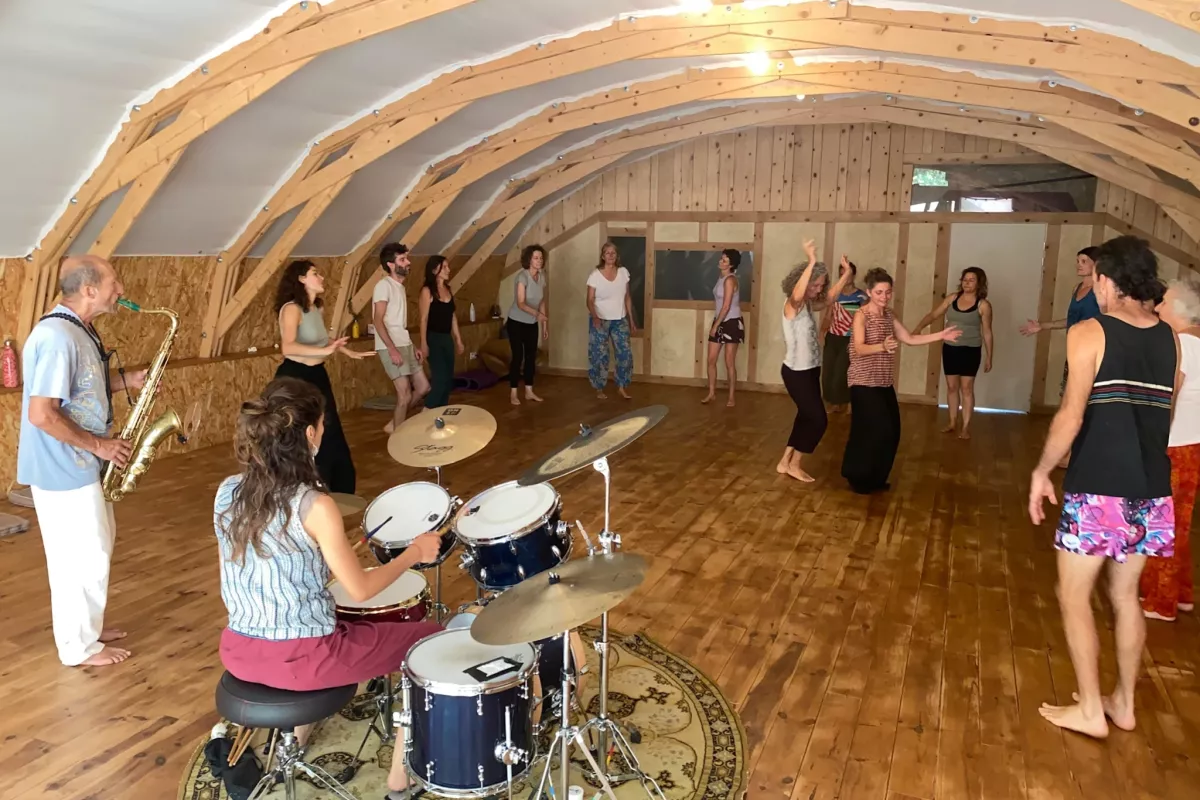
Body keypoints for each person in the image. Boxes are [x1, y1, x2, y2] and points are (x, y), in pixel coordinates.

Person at [215, 378, 443, 794]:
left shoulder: (228, 491)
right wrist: (415, 552)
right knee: (429, 641)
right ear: (308, 434)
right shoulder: (315, 505)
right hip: (303, 658)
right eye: (323, 425)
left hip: (238, 649)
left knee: (338, 620)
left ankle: (295, 742)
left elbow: (272, 562)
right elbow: (361, 590)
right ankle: (400, 777)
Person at [1028, 235, 1176, 739]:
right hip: (1152, 486)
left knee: (1073, 596)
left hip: (1098, 486)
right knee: (1125, 596)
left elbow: (1071, 414)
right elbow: (1164, 411)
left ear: (1108, 280)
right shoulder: (1169, 337)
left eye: (1096, 280)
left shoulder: (1090, 331)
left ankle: (1092, 710)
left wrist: (1042, 470)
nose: (1095, 289)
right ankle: (1123, 704)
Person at [17, 255, 149, 667]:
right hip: (63, 465)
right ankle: (78, 647)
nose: (120, 291)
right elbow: (42, 413)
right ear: (90, 290)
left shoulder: (78, 330)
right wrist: (99, 446)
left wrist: (126, 381)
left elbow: (79, 388)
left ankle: (86, 627)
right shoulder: (57, 337)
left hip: (80, 462)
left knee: (96, 548)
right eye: (114, 283)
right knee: (80, 557)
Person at [841, 268, 961, 494]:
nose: (884, 297)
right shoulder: (861, 315)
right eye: (879, 292)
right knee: (872, 430)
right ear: (869, 292)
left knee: (892, 430)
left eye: (887, 292)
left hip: (883, 381)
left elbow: (910, 338)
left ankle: (876, 478)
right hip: (862, 381)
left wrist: (941, 335)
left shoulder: (889, 315)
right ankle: (858, 477)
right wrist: (882, 346)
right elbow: (859, 348)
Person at [274, 260, 372, 494]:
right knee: (304, 436)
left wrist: (346, 351)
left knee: (330, 432)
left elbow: (321, 339)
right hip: (295, 378)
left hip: (317, 375)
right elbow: (288, 347)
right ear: (301, 279)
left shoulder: (317, 308)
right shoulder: (291, 309)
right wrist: (326, 351)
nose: (322, 278)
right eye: (315, 273)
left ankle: (339, 491)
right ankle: (306, 490)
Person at [1139, 276, 1200, 622]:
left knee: (1163, 523)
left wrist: (1152, 442)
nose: (1158, 307)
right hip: (1192, 444)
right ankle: (1183, 594)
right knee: (1180, 521)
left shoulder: (1182, 345)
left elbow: (1167, 399)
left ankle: (1160, 602)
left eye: (1164, 302)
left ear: (1179, 309)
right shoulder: (1197, 341)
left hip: (1175, 446)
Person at [777, 242, 853, 482]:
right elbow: (799, 293)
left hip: (810, 370)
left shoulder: (809, 304)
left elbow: (830, 299)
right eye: (815, 284)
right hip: (795, 373)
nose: (818, 289)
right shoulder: (793, 304)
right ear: (803, 281)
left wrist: (847, 274)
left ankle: (785, 461)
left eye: (821, 285)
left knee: (805, 415)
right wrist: (811, 261)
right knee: (818, 420)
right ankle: (795, 464)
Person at [1020, 246, 1101, 466]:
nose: (1078, 265)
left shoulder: (1101, 290)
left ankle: (1079, 454)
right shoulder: (1078, 288)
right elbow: (1071, 320)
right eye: (1078, 260)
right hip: (1074, 352)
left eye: (1083, 261)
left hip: (1092, 355)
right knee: (1068, 400)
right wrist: (1042, 326)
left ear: (1097, 264)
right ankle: (1068, 451)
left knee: (1082, 404)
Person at [913, 267, 994, 439]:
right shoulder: (952, 298)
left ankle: (965, 427)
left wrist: (989, 356)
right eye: (965, 279)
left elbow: (987, 332)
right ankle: (952, 422)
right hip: (950, 348)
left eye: (971, 280)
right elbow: (933, 315)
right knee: (951, 387)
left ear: (979, 283)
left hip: (971, 350)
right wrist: (918, 328)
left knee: (967, 388)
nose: (967, 283)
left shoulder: (983, 305)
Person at [374, 243, 430, 432]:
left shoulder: (399, 287)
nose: (408, 262)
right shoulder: (383, 286)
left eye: (406, 258)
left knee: (423, 387)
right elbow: (378, 320)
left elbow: (398, 325)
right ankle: (397, 438)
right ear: (391, 264)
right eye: (402, 259)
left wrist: (412, 346)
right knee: (404, 395)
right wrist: (392, 349)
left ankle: (395, 423)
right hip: (390, 346)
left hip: (404, 343)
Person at [586, 241, 638, 399]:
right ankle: (599, 388)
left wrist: (631, 319)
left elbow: (627, 297)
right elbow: (589, 300)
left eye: (613, 253)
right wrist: (595, 316)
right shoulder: (595, 275)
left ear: (617, 256)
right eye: (607, 253)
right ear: (603, 256)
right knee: (599, 355)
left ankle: (621, 386)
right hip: (600, 319)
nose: (610, 255)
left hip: (620, 319)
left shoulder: (623, 272)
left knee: (625, 354)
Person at [820, 258, 867, 414]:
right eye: (841, 274)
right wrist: (821, 333)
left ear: (853, 275)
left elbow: (865, 321)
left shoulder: (861, 297)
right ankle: (833, 402)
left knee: (841, 372)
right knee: (828, 372)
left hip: (850, 339)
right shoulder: (835, 295)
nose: (845, 277)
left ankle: (846, 401)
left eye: (847, 274)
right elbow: (828, 316)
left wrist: (859, 340)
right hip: (833, 337)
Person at [417, 255, 465, 408]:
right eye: (444, 267)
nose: (448, 270)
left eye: (447, 266)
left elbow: (452, 317)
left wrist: (458, 340)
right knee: (440, 378)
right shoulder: (427, 291)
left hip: (446, 338)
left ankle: (440, 412)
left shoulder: (448, 290)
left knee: (448, 379)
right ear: (434, 270)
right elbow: (423, 319)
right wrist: (424, 344)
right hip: (433, 339)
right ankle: (426, 411)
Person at [702, 249, 745, 408]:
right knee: (711, 359)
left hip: (732, 322)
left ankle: (731, 397)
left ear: (731, 265)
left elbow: (726, 306)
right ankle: (711, 393)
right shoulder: (721, 278)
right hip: (720, 320)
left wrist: (715, 325)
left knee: (729, 361)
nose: (721, 261)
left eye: (725, 260)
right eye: (721, 259)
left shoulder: (730, 280)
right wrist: (717, 323)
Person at [506, 244, 548, 405]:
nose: (539, 261)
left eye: (541, 258)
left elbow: (542, 301)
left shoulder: (541, 276)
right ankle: (513, 393)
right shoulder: (522, 277)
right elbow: (521, 303)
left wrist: (544, 325)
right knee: (518, 357)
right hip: (516, 322)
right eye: (536, 258)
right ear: (529, 260)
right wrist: (538, 315)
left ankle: (529, 391)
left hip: (531, 323)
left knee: (531, 357)